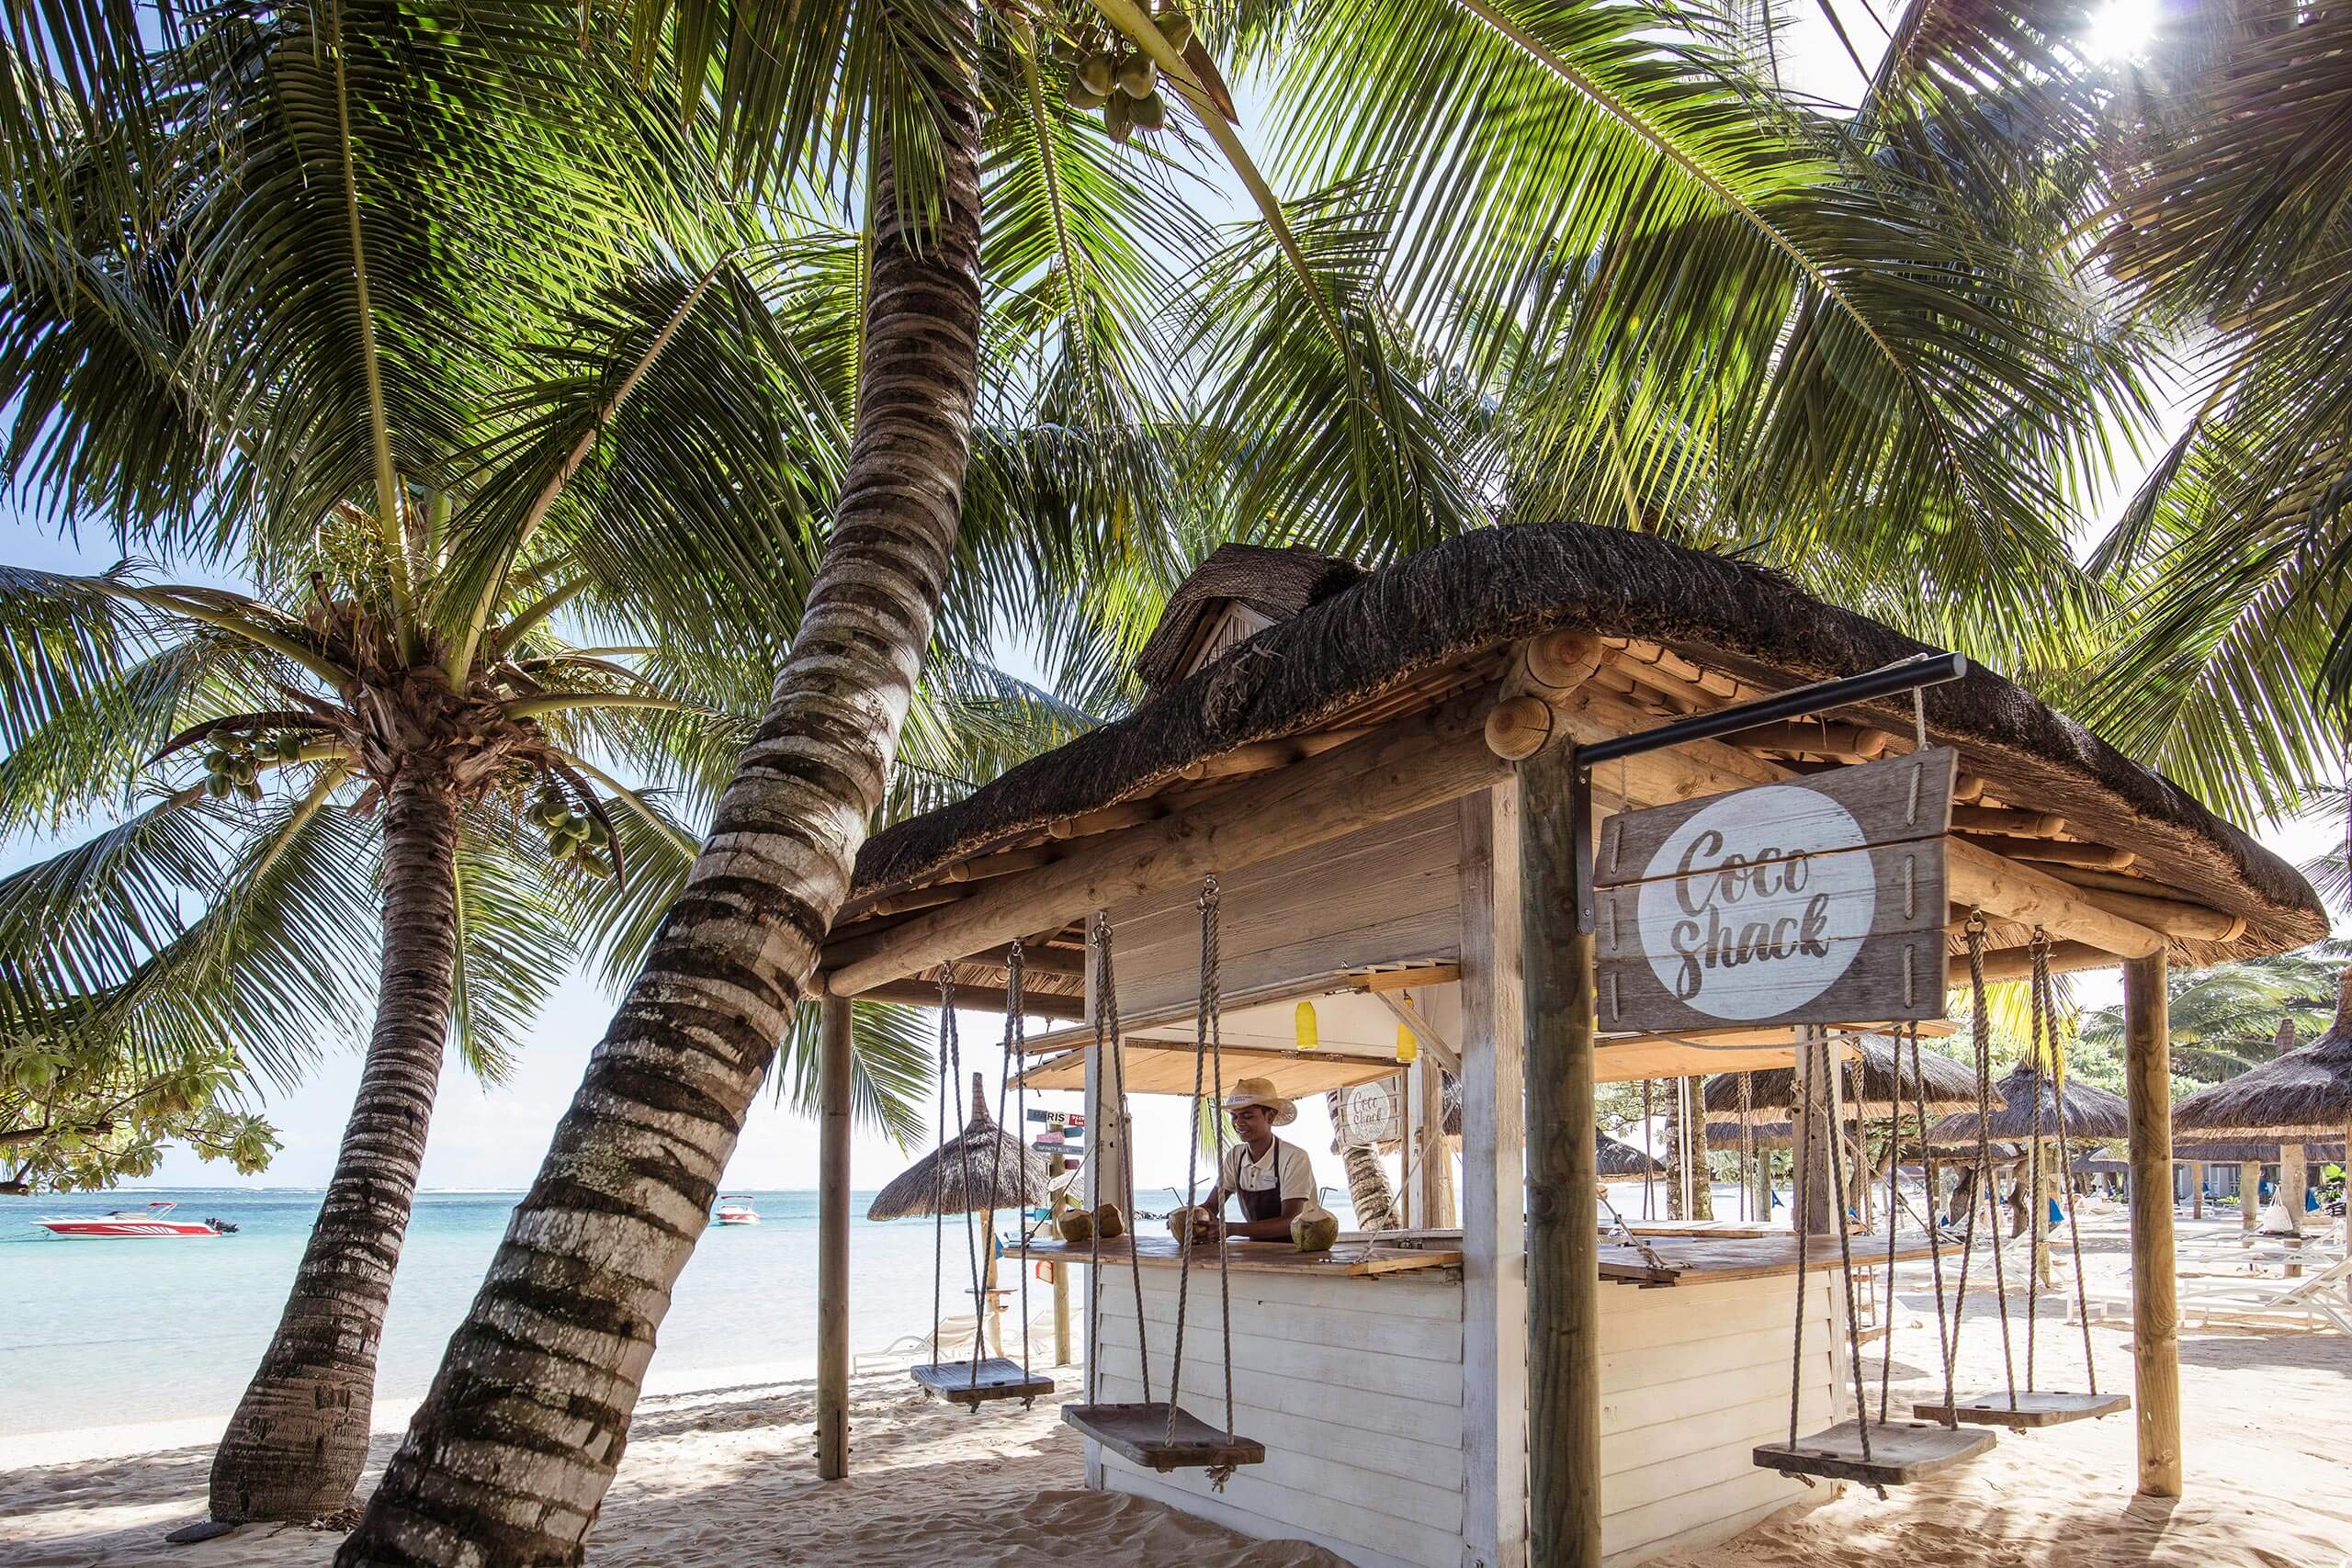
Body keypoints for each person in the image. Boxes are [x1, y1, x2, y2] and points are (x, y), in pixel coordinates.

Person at [1189, 1077, 1318, 1242]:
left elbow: (1290, 1221)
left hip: (1299, 1249)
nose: (1239, 1123)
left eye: (1247, 1116)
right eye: (1234, 1116)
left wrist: (1231, 1229)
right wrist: (1187, 1217)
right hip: (1258, 1248)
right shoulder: (1235, 1157)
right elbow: (1212, 1206)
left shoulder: (1294, 1158)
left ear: (1270, 1116)